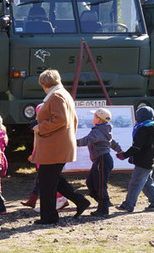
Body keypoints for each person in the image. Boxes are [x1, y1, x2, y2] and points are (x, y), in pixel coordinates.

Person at [31, 69, 90, 224]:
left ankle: (49, 217)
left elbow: (60, 119)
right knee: (53, 179)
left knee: (46, 183)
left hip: (53, 146)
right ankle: (80, 201)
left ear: (44, 84)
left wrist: (40, 127)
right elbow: (71, 119)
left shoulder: (56, 96)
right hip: (59, 144)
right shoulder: (64, 94)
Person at [75, 108, 123, 217]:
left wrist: (72, 142)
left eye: (95, 117)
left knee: (100, 185)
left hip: (102, 160)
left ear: (99, 119)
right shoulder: (104, 129)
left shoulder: (98, 131)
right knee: (90, 183)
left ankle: (103, 209)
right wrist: (119, 150)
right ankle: (104, 203)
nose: (93, 119)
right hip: (101, 160)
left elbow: (87, 140)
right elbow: (112, 142)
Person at [115, 106, 154, 212]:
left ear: (140, 116)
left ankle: (128, 205)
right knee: (146, 183)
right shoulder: (152, 127)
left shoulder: (143, 129)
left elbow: (137, 147)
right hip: (149, 160)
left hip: (143, 161)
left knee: (135, 184)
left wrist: (125, 155)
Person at [23, 103, 69, 212]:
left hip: (45, 158)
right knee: (47, 181)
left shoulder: (42, 127)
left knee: (48, 181)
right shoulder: (45, 125)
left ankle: (58, 200)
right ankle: (43, 202)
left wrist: (34, 154)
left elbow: (39, 143)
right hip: (44, 157)